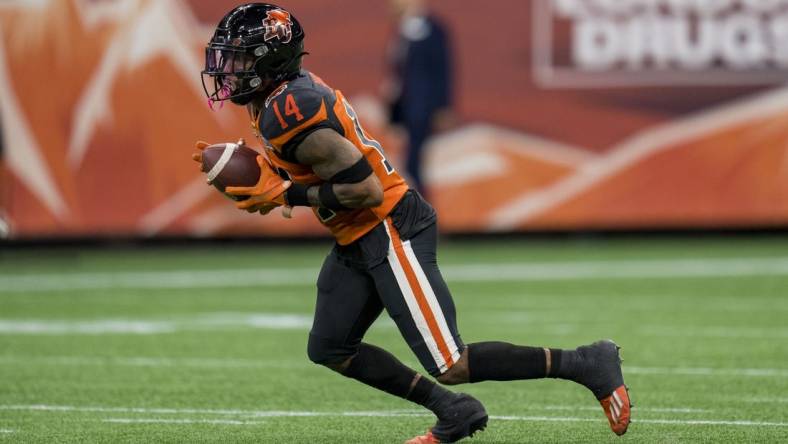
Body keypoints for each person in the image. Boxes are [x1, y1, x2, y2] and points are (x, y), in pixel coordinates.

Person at [193, 4, 630, 443]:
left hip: (389, 227)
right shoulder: (278, 100)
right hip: (356, 233)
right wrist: (280, 180)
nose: (229, 69)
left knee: (451, 362)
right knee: (330, 347)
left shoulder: (290, 111)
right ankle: (452, 410)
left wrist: (285, 194)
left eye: (241, 58)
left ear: (272, 59)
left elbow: (367, 191)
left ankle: (585, 362)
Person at [385, 0, 454, 196]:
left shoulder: (434, 30)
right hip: (402, 109)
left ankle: (422, 212)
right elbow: (397, 71)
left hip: (422, 108)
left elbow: (443, 71)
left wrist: (443, 107)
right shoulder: (400, 32)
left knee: (413, 163)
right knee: (404, 161)